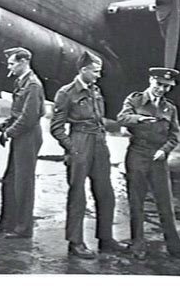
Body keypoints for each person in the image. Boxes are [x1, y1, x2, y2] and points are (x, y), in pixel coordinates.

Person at [50, 51, 126, 259]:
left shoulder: (96, 91)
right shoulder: (66, 93)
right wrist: (72, 147)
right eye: (95, 72)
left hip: (99, 143)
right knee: (78, 195)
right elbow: (56, 127)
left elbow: (99, 119)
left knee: (106, 193)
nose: (98, 76)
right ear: (83, 70)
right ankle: (75, 242)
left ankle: (106, 238)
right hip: (80, 142)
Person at [116, 67, 180, 261]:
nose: (161, 89)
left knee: (165, 203)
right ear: (151, 81)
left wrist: (164, 150)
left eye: (166, 86)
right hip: (137, 154)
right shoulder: (135, 100)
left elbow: (174, 135)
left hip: (158, 157)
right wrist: (139, 119)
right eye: (159, 84)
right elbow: (121, 118)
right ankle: (138, 244)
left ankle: (175, 247)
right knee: (136, 201)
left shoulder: (170, 108)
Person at [0, 47, 45, 239]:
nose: (9, 67)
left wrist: (9, 132)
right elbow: (18, 112)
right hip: (21, 135)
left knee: (23, 183)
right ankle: (6, 223)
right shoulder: (21, 82)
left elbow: (29, 116)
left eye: (12, 63)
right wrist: (7, 123)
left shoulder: (33, 85)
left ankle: (23, 228)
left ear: (23, 62)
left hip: (28, 136)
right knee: (10, 180)